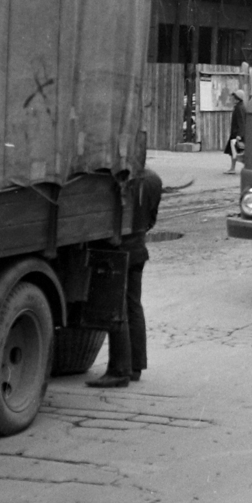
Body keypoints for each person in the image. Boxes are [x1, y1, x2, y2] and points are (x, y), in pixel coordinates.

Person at [89, 166, 164, 389]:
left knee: (117, 307)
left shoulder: (115, 180)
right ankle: (135, 366)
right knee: (133, 305)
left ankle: (119, 370)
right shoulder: (153, 178)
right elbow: (151, 220)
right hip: (138, 248)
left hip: (117, 249)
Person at [225, 89, 247, 173]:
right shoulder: (240, 106)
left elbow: (242, 122)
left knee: (238, 152)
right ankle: (233, 168)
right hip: (236, 133)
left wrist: (239, 135)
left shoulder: (239, 108)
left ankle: (233, 168)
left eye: (234, 97)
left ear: (238, 98)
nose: (233, 98)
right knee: (234, 152)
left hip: (237, 134)